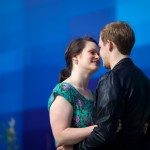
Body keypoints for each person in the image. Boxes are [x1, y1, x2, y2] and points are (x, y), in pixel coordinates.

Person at [73, 21, 150, 150]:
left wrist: (76, 149)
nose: (99, 55)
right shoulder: (144, 79)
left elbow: (104, 133)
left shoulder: (111, 79)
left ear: (109, 44)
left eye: (100, 47)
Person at [48, 36, 100, 149]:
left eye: (98, 53)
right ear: (75, 56)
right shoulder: (64, 90)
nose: (97, 56)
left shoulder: (95, 94)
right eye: (92, 52)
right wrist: (99, 128)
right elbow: (60, 136)